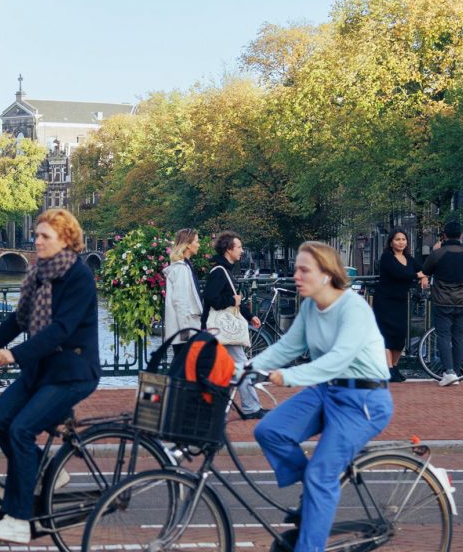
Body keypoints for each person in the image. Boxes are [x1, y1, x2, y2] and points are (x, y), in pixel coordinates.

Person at [0, 209, 100, 545]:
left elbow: (61, 329)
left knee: (21, 430)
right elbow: (16, 322)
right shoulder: (37, 275)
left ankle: (19, 520)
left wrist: (15, 354)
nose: (36, 241)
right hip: (42, 371)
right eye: (36, 235)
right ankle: (48, 471)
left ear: (66, 239)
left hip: (72, 373)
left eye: (44, 236)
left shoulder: (78, 276)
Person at [250, 241, 393, 552]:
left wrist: (288, 376)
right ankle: (316, 490)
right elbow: (287, 347)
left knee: (319, 474)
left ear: (327, 274)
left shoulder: (353, 308)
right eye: (295, 269)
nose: (296, 276)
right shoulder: (310, 308)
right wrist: (245, 367)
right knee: (269, 430)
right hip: (327, 391)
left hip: (363, 401)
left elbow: (337, 360)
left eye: (304, 270)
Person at [202, 231, 265, 420]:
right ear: (229, 249)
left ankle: (218, 407)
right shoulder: (220, 272)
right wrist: (232, 299)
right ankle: (250, 407)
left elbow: (233, 300)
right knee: (241, 366)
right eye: (239, 247)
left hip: (222, 328)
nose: (242, 251)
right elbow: (213, 298)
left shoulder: (225, 270)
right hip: (223, 328)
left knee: (227, 368)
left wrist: (249, 315)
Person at [422, 220, 463, 387]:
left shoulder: (438, 254)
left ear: (444, 235)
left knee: (444, 336)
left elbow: (425, 270)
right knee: (458, 336)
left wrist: (434, 251)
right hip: (462, 300)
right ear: (461, 235)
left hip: (443, 300)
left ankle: (449, 372)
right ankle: (457, 373)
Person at [372, 228, 428, 382]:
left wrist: (424, 276)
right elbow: (399, 274)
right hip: (385, 301)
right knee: (386, 335)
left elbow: (422, 268)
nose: (401, 242)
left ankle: (394, 367)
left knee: (400, 336)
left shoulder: (409, 259)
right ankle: (388, 369)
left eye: (403, 239)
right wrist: (418, 275)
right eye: (397, 239)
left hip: (401, 301)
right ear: (391, 242)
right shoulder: (386, 258)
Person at [162, 228, 203, 346]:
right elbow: (180, 301)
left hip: (183, 329)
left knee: (183, 363)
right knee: (185, 363)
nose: (199, 245)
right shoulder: (181, 269)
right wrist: (185, 333)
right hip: (185, 330)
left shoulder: (183, 267)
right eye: (196, 241)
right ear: (188, 245)